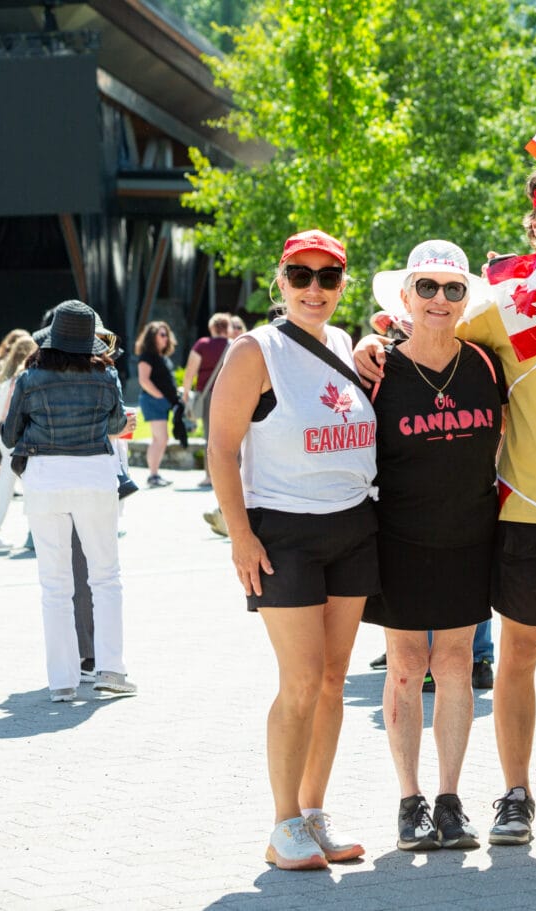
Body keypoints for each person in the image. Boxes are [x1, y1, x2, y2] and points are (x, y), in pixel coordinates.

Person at [356, 160, 536, 844]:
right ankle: (515, 795)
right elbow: (431, 336)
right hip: (521, 508)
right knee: (518, 654)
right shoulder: (498, 306)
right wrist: (376, 342)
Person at [208, 229, 379, 871]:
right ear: (280, 281)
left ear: (343, 284)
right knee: (302, 679)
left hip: (354, 526)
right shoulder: (256, 350)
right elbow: (221, 449)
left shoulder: (343, 343)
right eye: (300, 276)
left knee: (334, 680)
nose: (314, 289)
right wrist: (240, 535)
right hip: (283, 533)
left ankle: (313, 813)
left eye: (327, 277)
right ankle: (282, 824)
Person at [363, 240, 506, 851]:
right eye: (427, 287)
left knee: (454, 667)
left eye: (452, 289)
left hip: (469, 536)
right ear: (404, 297)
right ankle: (409, 800)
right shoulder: (376, 370)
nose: (440, 300)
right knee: (404, 670)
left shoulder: (487, 364)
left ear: (466, 298)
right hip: (398, 541)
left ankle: (449, 799)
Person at [0, 301, 136, 702]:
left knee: (54, 585)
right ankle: (111, 668)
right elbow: (114, 424)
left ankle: (62, 680)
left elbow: (10, 436)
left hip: (44, 481)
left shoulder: (31, 377)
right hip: (94, 476)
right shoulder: (106, 374)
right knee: (106, 578)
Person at [0, 333, 38, 550]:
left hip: (6, 438)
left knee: (6, 487)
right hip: (19, 438)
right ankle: (34, 533)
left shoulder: (8, 380)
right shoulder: (24, 378)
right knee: (32, 486)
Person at [183, 313, 233, 487]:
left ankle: (210, 476)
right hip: (231, 395)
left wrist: (186, 393)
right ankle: (236, 474)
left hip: (208, 396)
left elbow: (190, 372)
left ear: (212, 327)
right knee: (234, 435)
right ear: (228, 328)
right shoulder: (233, 345)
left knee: (210, 436)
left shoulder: (202, 345)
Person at [134, 320, 183, 487]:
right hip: (153, 402)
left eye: (167, 335)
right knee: (160, 439)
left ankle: (155, 474)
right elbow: (143, 380)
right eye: (162, 335)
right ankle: (153, 476)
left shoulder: (162, 357)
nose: (166, 338)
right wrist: (160, 397)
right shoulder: (147, 356)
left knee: (161, 439)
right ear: (152, 337)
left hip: (161, 403)